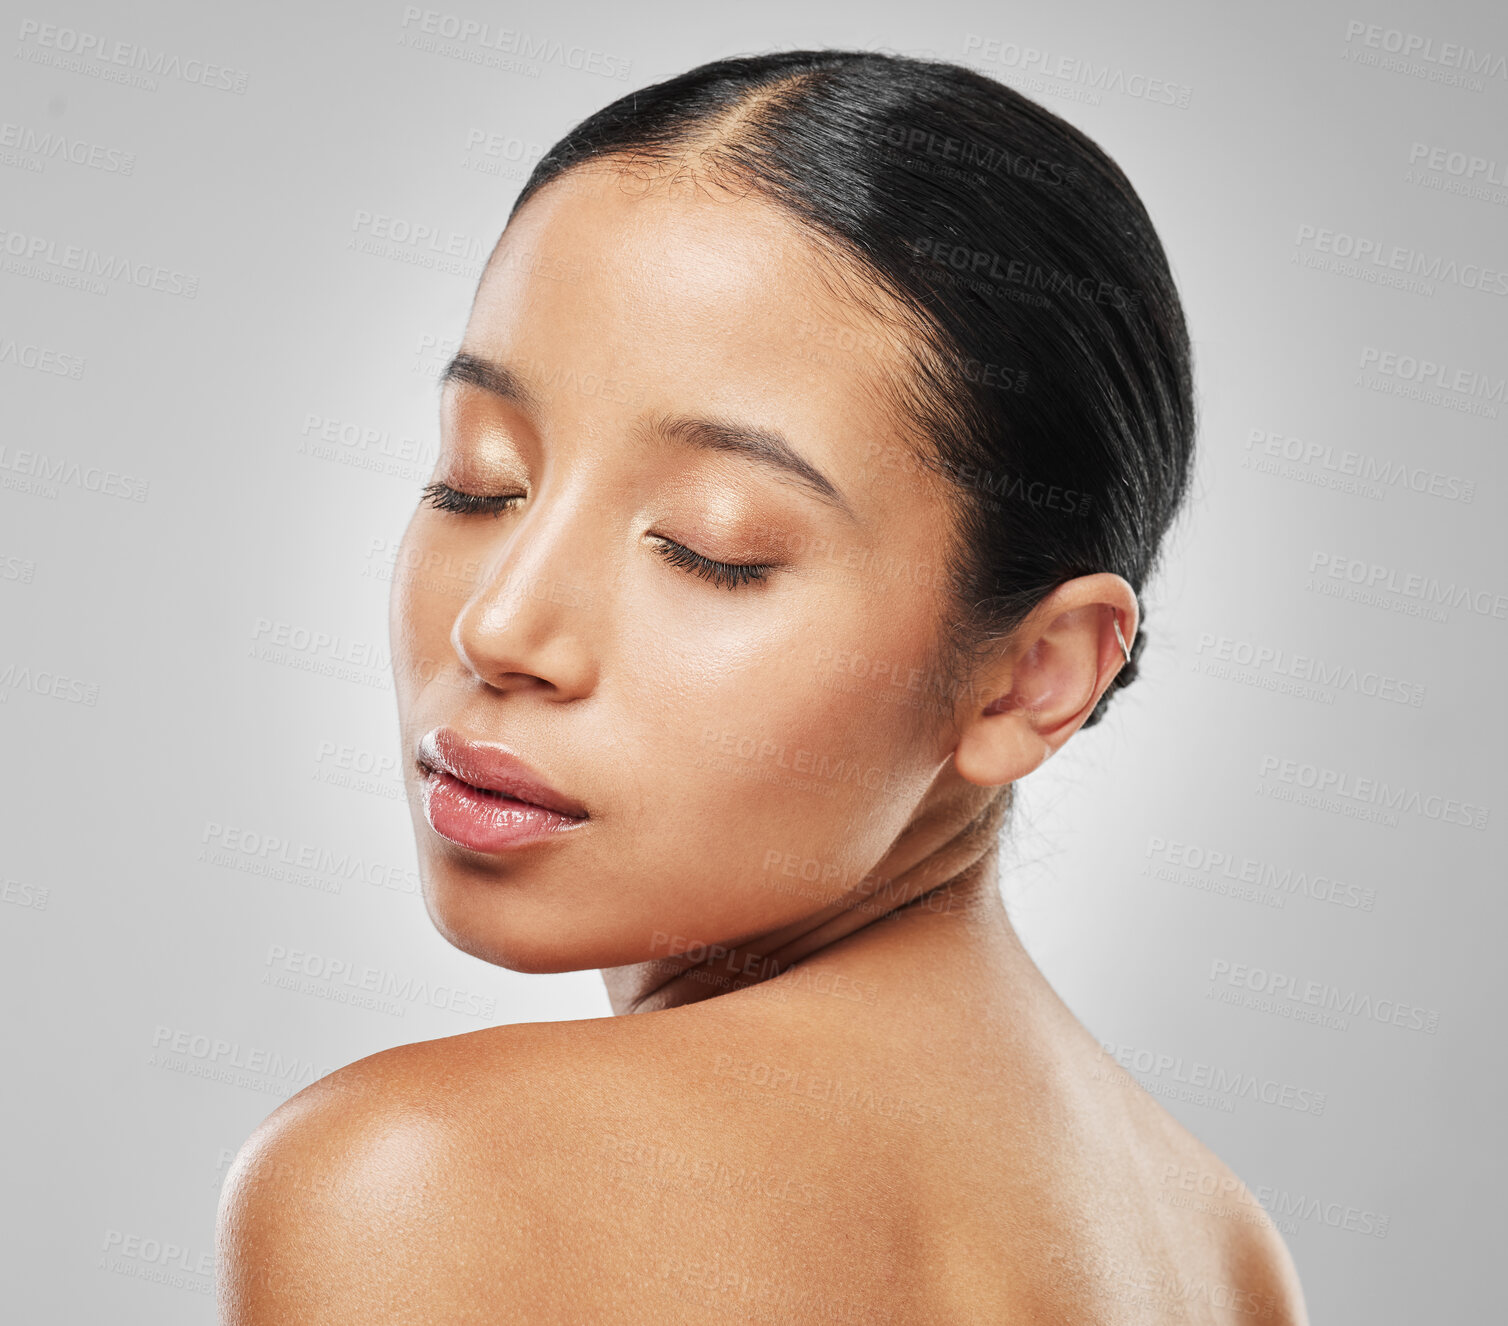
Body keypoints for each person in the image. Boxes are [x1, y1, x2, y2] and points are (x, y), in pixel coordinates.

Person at [218, 49, 1309, 1323]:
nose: (498, 623)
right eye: (480, 478)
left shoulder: (427, 1178)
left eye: (709, 546)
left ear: (1032, 676)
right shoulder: (1219, 1256)